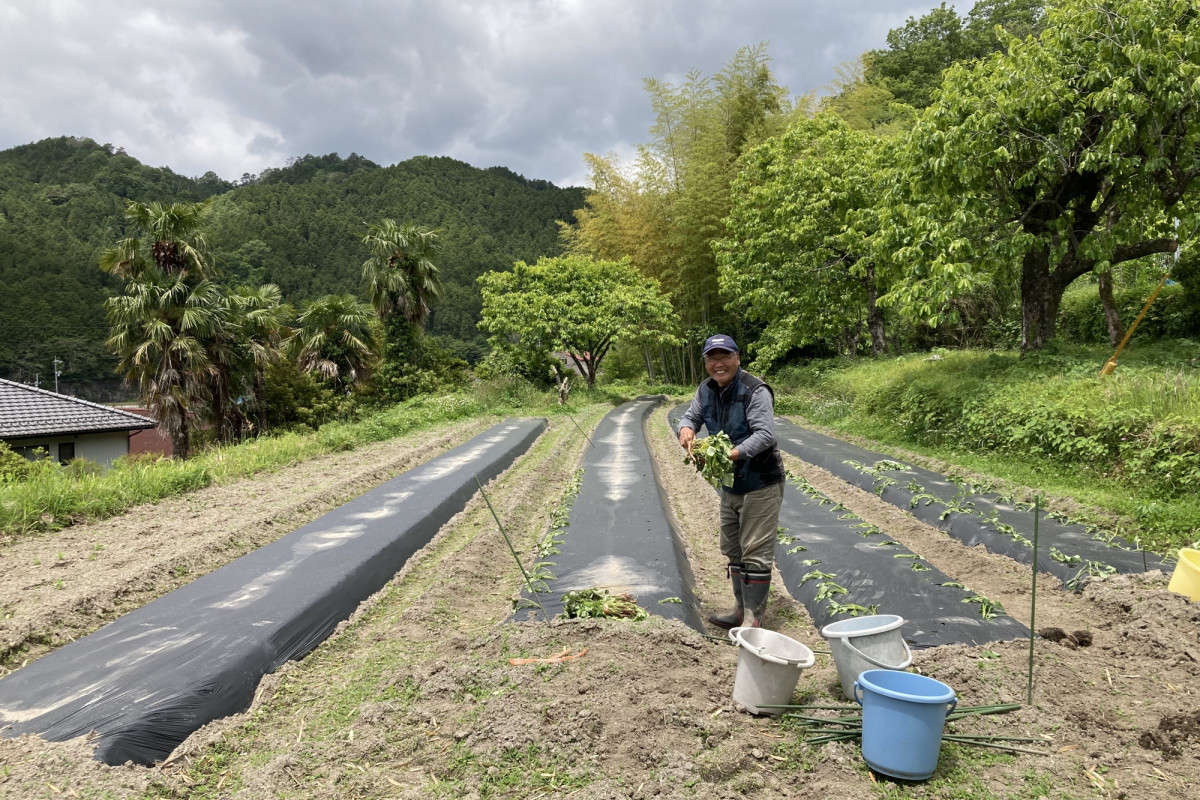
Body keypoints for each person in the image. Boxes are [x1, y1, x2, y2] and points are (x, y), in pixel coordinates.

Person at [677, 334, 785, 629]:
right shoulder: (706, 389)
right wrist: (686, 430)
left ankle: (753, 619)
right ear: (706, 363)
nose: (718, 363)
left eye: (725, 356)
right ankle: (739, 610)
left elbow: (765, 435)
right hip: (730, 483)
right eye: (712, 358)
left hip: (761, 481)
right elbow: (690, 417)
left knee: (755, 551)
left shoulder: (755, 390)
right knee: (733, 548)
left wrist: (730, 454)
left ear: (738, 358)